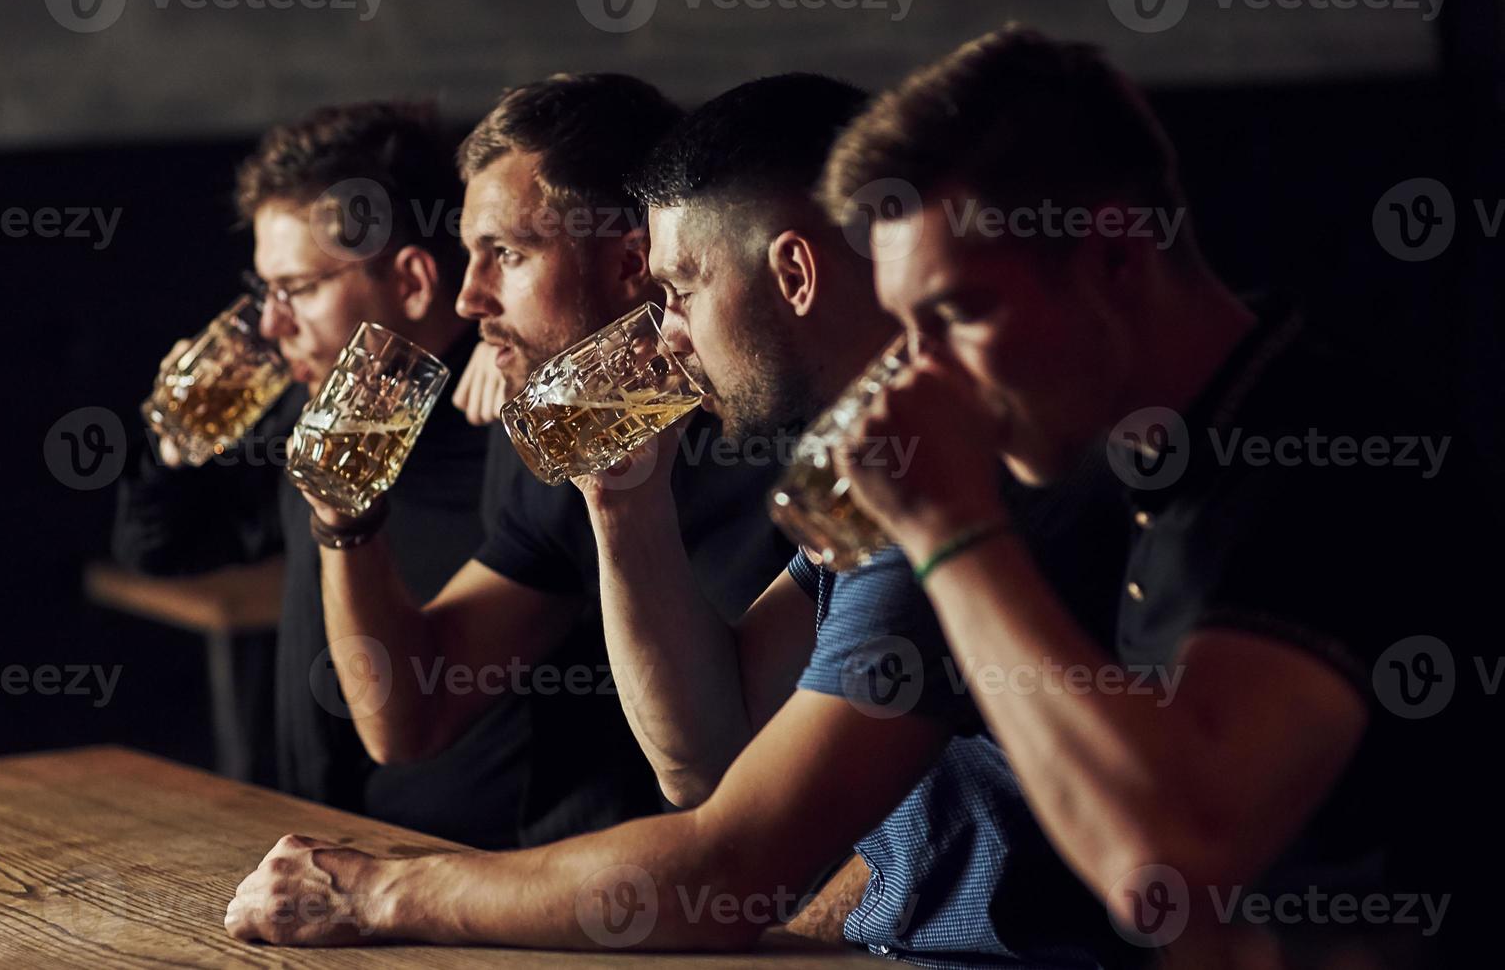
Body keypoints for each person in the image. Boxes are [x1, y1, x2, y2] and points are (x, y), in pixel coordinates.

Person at [224, 75, 1131, 965]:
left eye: (679, 293)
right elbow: (707, 758)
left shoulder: (955, 463)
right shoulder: (876, 464)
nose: (663, 332)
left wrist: (379, 893)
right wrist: (623, 504)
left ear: (793, 273)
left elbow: (726, 869)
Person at [822, 25, 1490, 962]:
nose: (922, 377)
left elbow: (1167, 867)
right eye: (906, 328)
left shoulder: (1323, 453)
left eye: (960, 313)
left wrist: (948, 530)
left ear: (1116, 258)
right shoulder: (1147, 463)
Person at [292, 72, 795, 850]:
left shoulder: (805, 436)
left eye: (506, 255)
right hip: (601, 896)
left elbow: (756, 806)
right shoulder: (584, 431)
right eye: (469, 256)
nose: (468, 298)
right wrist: (343, 519)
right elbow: (410, 719)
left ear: (633, 264)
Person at [112, 101, 518, 848]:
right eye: (264, 290)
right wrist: (177, 441)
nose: (270, 324)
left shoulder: (514, 428)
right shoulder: (312, 405)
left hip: (469, 881)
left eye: (296, 289)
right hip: (317, 846)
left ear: (415, 282)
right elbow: (160, 548)